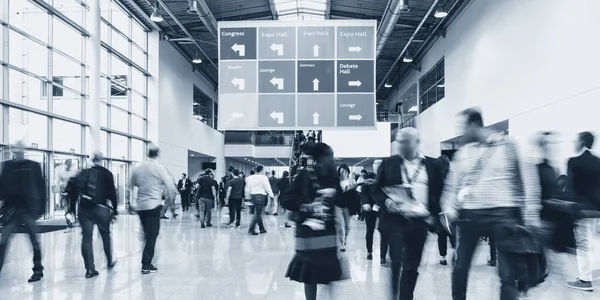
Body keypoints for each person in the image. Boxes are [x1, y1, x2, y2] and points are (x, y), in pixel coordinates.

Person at [441, 109, 540, 300]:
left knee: (507, 273)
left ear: (473, 125)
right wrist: (449, 209)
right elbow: (452, 185)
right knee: (460, 266)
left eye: (463, 127)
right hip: (470, 214)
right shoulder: (463, 154)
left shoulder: (508, 145)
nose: (462, 133)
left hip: (504, 212)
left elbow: (529, 179)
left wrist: (531, 214)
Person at [372, 128, 445, 300]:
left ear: (417, 142)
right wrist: (387, 202)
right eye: (399, 141)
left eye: (405, 141)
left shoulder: (432, 166)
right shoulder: (388, 164)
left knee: (412, 266)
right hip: (395, 220)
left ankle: (406, 297)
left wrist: (436, 217)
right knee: (396, 261)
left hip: (420, 221)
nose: (401, 144)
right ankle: (394, 293)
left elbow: (439, 192)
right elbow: (375, 189)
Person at [281, 142, 343, 300]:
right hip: (307, 231)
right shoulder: (304, 175)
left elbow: (343, 201)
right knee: (309, 272)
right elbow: (286, 198)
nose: (333, 160)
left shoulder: (333, 178)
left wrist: (338, 193)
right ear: (322, 158)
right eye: (330, 156)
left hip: (327, 230)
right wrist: (305, 206)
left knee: (329, 270)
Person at [0, 141, 45, 283]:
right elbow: (1, 187)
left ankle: (38, 269)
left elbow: (41, 187)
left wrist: (40, 210)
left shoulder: (33, 166)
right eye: (16, 150)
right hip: (11, 210)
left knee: (34, 241)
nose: (18, 152)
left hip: (28, 210)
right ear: (14, 151)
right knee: (3, 240)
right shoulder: (7, 166)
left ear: (24, 150)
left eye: (20, 150)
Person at [130, 145, 177, 274]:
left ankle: (147, 255)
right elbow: (171, 188)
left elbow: (131, 185)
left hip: (141, 206)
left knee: (147, 232)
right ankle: (146, 263)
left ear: (147, 154)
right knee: (152, 234)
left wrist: (130, 204)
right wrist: (170, 205)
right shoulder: (159, 168)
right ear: (158, 155)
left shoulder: (137, 168)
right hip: (153, 205)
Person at [73, 152, 117, 278]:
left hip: (84, 209)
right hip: (101, 209)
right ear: (101, 160)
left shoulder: (83, 172)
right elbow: (112, 193)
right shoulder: (107, 173)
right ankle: (109, 261)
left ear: (91, 160)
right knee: (105, 235)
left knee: (86, 237)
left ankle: (89, 269)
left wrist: (71, 209)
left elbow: (75, 192)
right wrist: (115, 209)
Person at [566, 131, 600, 291]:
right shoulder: (598, 161)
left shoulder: (574, 161)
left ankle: (585, 279)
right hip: (597, 210)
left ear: (581, 142)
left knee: (583, 244)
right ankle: (588, 275)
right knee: (591, 242)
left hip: (582, 210)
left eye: (576, 140)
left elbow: (571, 188)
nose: (574, 143)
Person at [437, 155, 456, 266]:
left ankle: (443, 258)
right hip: (451, 209)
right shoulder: (452, 176)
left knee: (441, 235)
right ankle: (455, 253)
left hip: (440, 210)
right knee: (452, 233)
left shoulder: (437, 176)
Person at [244, 165, 274, 235]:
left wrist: (247, 197)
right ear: (262, 170)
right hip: (260, 196)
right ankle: (251, 229)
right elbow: (267, 187)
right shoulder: (264, 178)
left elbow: (247, 188)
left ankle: (262, 228)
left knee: (258, 212)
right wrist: (271, 195)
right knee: (257, 213)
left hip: (252, 196)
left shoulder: (249, 178)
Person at [337, 164, 356, 252]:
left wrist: (351, 189)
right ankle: (341, 243)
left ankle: (344, 240)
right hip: (338, 205)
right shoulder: (336, 181)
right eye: (341, 172)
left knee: (347, 226)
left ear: (347, 172)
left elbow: (355, 196)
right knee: (340, 225)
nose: (343, 173)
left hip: (348, 206)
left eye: (344, 171)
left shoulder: (351, 181)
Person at [59, 159, 79, 230]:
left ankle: (72, 219)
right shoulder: (62, 173)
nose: (69, 164)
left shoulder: (75, 172)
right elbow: (61, 183)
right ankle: (69, 221)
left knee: (72, 207)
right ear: (66, 164)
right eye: (68, 163)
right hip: (65, 192)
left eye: (70, 163)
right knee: (67, 208)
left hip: (73, 192)